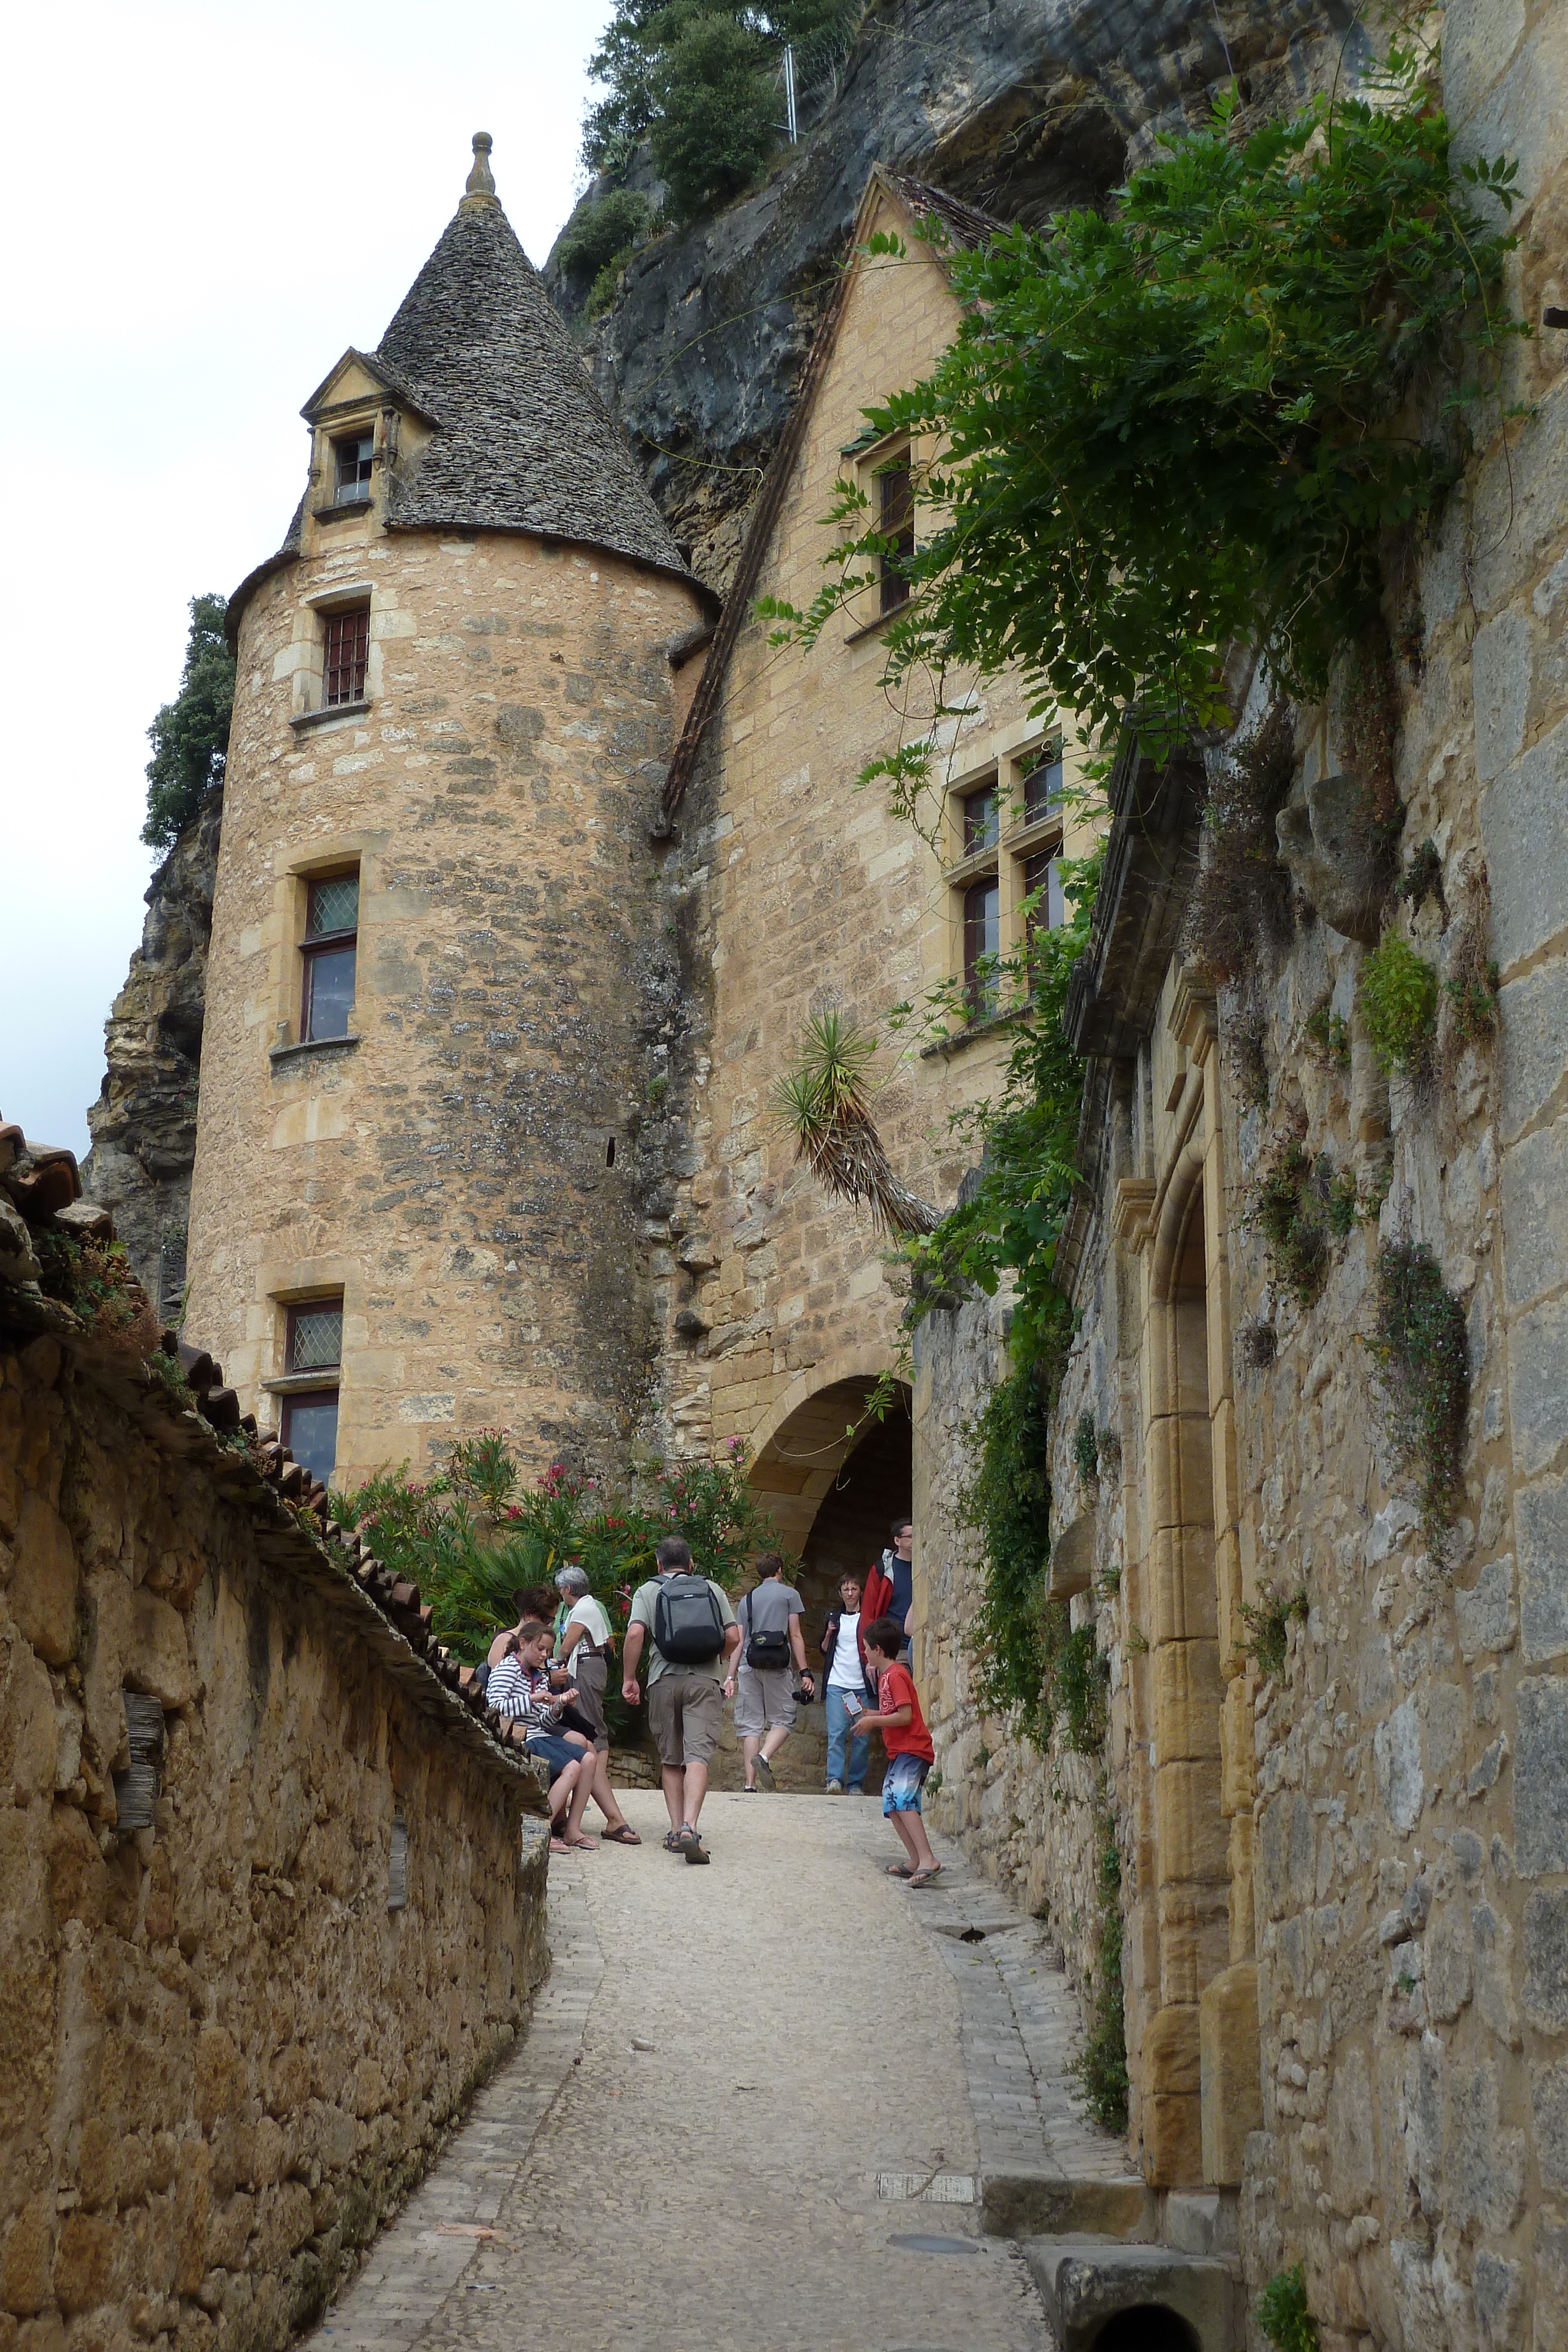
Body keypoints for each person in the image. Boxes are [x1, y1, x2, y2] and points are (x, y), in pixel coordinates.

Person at [623, 1535, 740, 1863]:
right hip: (704, 1680)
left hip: (663, 1679)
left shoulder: (648, 1590)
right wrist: (717, 1659)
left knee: (672, 1759)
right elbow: (733, 1636)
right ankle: (691, 1826)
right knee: (698, 1756)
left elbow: (635, 1634)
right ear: (691, 1564)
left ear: (658, 1564)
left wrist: (630, 1679)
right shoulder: (711, 1589)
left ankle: (675, 1831)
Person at [492, 1622, 641, 1848]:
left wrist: (559, 1705)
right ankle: (541, 1828)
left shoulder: (538, 1675)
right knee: (572, 1767)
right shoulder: (507, 1669)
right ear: (523, 1643)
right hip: (520, 1736)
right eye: (540, 1649)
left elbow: (543, 1720)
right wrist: (534, 1699)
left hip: (536, 1733)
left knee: (589, 1758)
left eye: (548, 1651)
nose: (544, 1655)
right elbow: (495, 1707)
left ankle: (572, 1829)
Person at [857, 1615, 940, 1886]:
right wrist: (867, 1713)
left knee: (903, 1800)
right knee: (892, 1803)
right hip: (901, 1750)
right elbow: (891, 1712)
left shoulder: (897, 1675)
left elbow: (905, 1716)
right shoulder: (886, 1676)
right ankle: (915, 1858)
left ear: (878, 1650)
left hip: (912, 1748)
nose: (865, 1652)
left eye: (867, 1648)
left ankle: (928, 1858)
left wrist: (873, 1721)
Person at [724, 1551, 813, 1792]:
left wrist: (730, 1677)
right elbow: (795, 1635)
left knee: (751, 1724)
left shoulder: (747, 1599)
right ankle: (763, 1757)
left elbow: (739, 1641)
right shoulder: (789, 1595)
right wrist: (805, 1671)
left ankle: (749, 1784)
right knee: (785, 1718)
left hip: (748, 1665)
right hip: (778, 1665)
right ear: (780, 1570)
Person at [819, 1572, 871, 1795]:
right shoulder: (834, 1617)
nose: (850, 1594)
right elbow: (823, 1649)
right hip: (838, 1683)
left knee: (862, 1736)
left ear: (861, 1592)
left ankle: (856, 1783)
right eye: (846, 1590)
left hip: (862, 1685)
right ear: (840, 1593)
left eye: (854, 1589)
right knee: (837, 1733)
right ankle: (834, 1780)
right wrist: (830, 1634)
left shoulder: (868, 1617)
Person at [553, 1563, 614, 1753]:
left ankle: (597, 1774)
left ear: (568, 1589)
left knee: (590, 1719)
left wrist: (555, 1662)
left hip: (587, 1665)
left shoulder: (584, 1609)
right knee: (582, 1716)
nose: (561, 1594)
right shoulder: (585, 1606)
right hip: (584, 1665)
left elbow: (568, 1643)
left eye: (561, 1589)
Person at [862, 1515, 915, 1658]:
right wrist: (869, 1656)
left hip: (921, 1643)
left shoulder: (924, 1567)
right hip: (895, 1649)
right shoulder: (883, 1570)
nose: (915, 1540)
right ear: (897, 1540)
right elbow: (869, 1613)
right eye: (910, 1536)